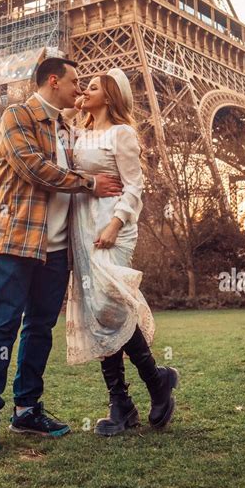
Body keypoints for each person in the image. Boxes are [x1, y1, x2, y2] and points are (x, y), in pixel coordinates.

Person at [0, 57, 124, 453]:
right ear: (54, 81)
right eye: (75, 81)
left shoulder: (67, 129)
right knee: (2, 326)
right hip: (18, 241)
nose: (80, 87)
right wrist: (89, 182)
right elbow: (34, 168)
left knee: (39, 329)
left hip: (56, 249)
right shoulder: (16, 116)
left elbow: (98, 149)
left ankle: (27, 408)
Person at [65, 68, 179, 436]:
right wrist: (71, 109)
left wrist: (115, 224)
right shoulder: (78, 133)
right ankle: (123, 402)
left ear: (111, 96)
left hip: (113, 225)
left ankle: (152, 382)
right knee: (97, 312)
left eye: (93, 87)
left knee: (108, 305)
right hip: (82, 228)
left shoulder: (122, 133)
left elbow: (134, 185)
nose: (85, 89)